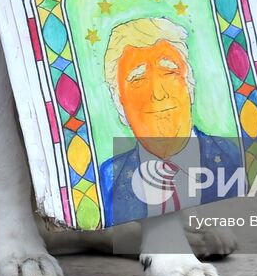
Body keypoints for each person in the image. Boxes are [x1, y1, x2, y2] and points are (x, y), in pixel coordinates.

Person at [97, 17, 243, 224]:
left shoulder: (231, 158)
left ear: (189, 84)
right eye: (138, 80)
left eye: (169, 73)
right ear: (118, 100)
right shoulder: (108, 179)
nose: (158, 93)